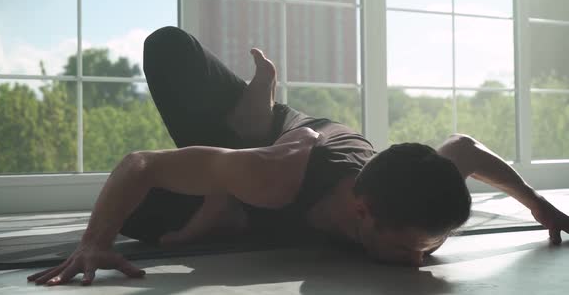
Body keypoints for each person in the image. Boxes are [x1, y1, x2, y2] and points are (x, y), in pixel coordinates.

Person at [28, 26, 569, 286]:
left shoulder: (425, 189)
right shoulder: (275, 177)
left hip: (284, 170)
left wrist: (537, 204)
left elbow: (467, 148)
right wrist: (93, 244)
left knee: (154, 221)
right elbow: (139, 164)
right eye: (408, 249)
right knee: (169, 49)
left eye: (428, 248)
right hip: (282, 143)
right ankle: (255, 110)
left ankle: (232, 172)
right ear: (363, 212)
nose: (419, 262)